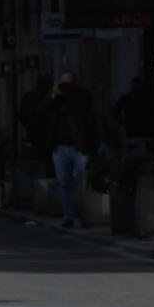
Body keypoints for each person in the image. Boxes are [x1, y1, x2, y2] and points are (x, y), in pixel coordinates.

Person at [41, 71, 94, 227]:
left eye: (68, 83)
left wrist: (68, 95)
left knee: (82, 182)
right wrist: (53, 96)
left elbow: (83, 112)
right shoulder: (55, 99)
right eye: (62, 83)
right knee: (64, 183)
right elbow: (41, 113)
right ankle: (68, 216)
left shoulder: (82, 95)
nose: (65, 86)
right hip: (59, 147)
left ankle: (85, 215)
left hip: (79, 146)